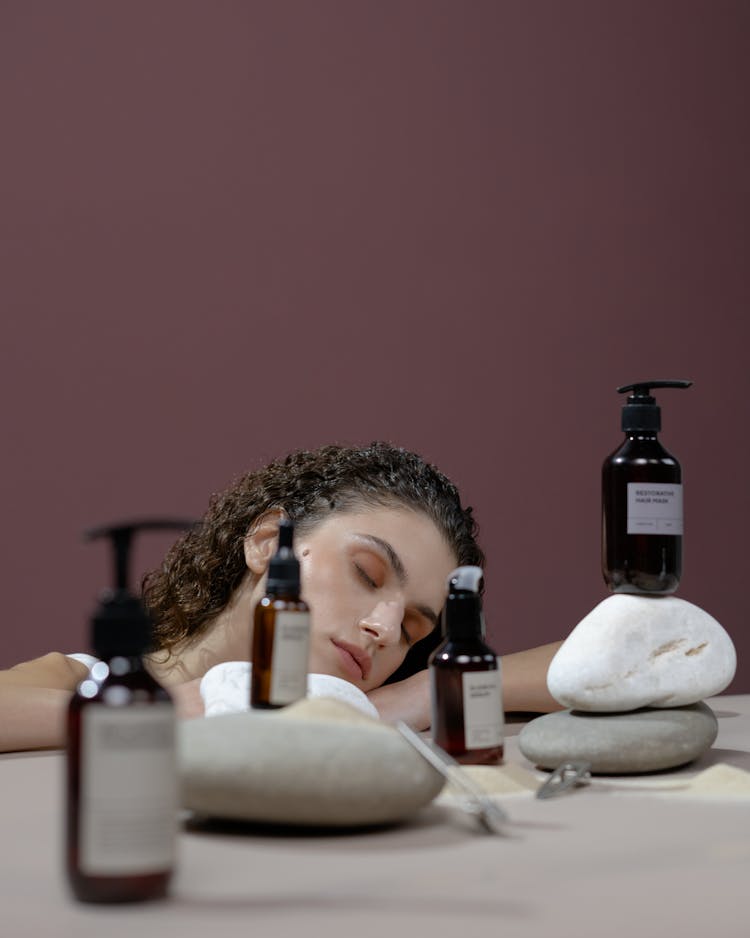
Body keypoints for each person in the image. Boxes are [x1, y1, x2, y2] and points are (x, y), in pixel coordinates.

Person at [0, 442, 561, 752]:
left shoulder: (362, 721)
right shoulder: (94, 680)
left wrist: (413, 695)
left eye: (414, 629)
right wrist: (194, 706)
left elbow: (616, 654)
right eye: (367, 573)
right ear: (270, 544)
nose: (386, 630)